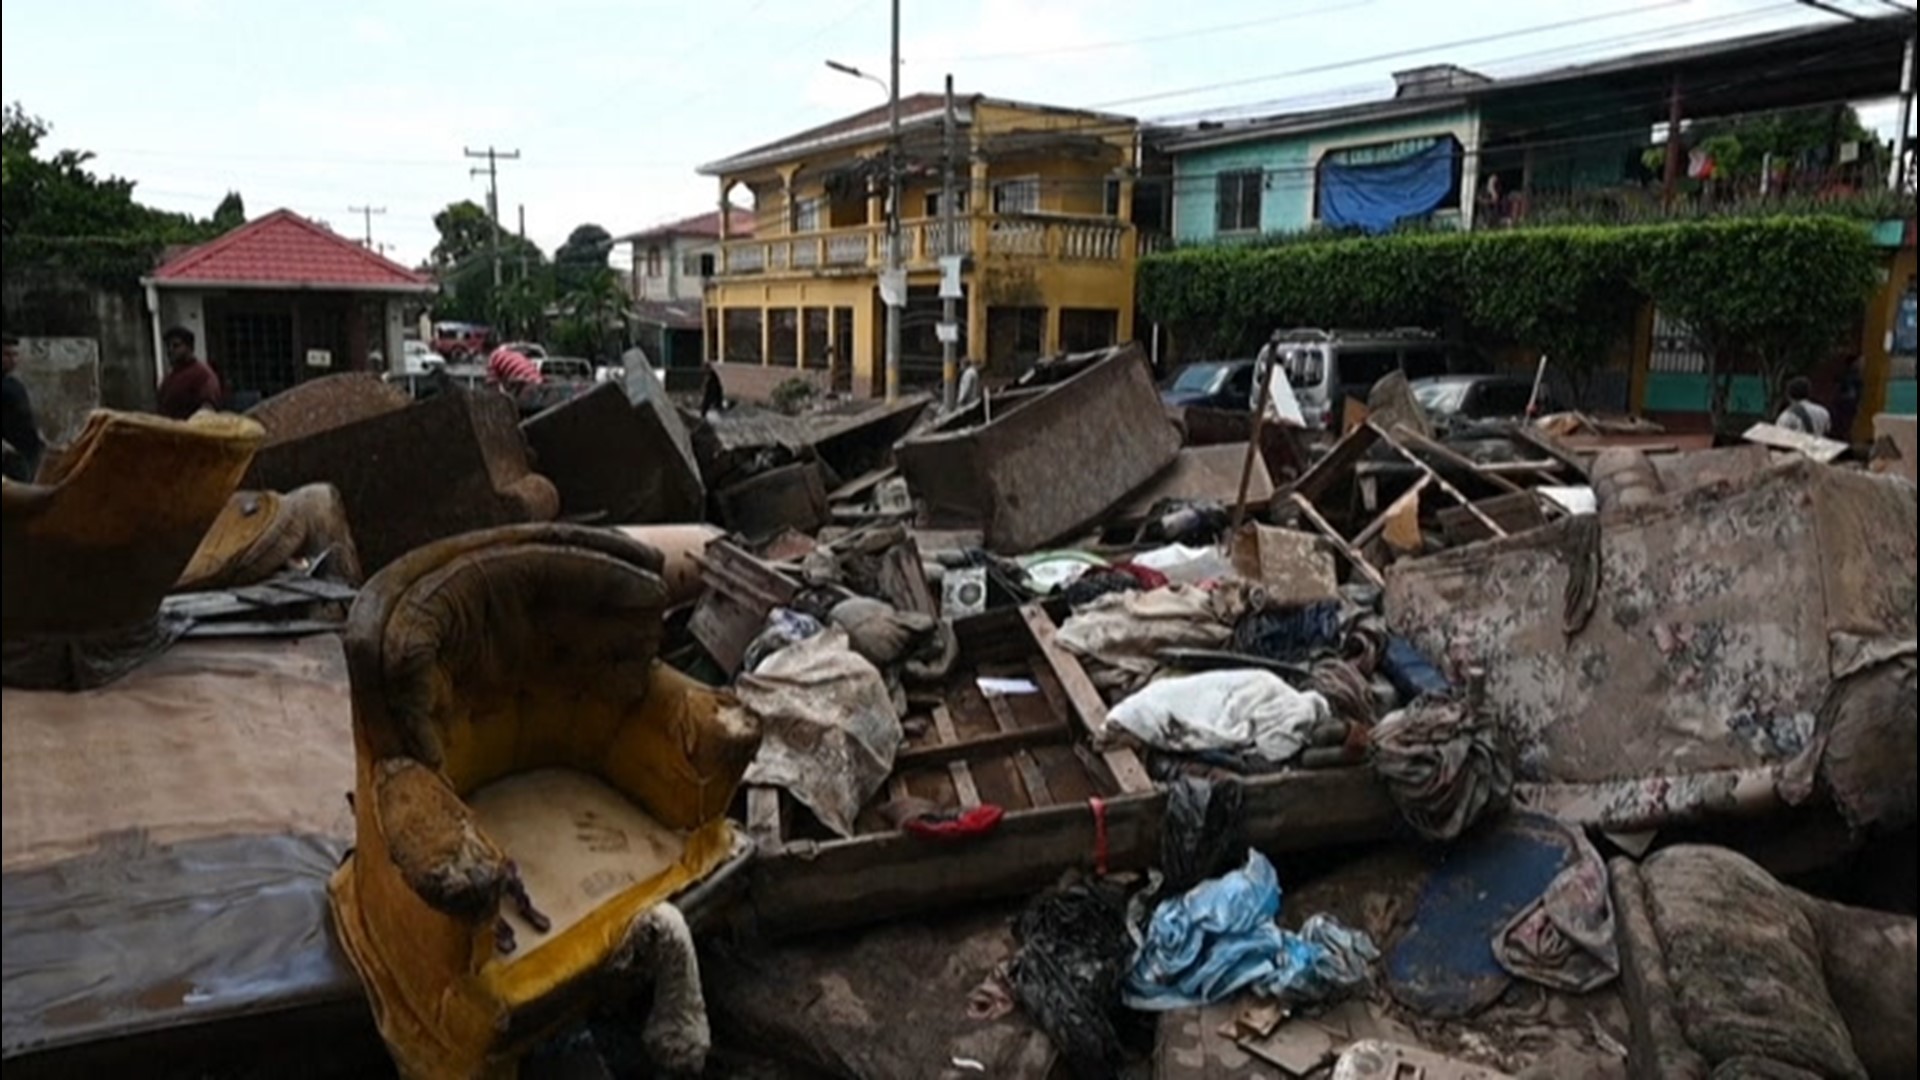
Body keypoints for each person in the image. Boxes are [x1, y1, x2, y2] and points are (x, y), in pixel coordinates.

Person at [2, 333, 45, 482]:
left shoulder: (14, 384)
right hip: (10, 458)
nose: (12, 360)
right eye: (7, 354)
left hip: (27, 454)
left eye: (15, 355)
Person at [156, 326, 223, 420]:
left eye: (176, 346)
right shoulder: (169, 378)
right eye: (168, 346)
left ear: (189, 348)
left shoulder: (202, 374)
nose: (170, 350)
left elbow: (208, 408)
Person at [1830, 355, 1864, 444]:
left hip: (1843, 403)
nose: (1861, 364)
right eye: (1858, 362)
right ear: (1853, 364)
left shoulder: (1844, 375)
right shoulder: (1853, 377)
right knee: (1845, 425)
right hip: (1847, 404)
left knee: (1843, 426)